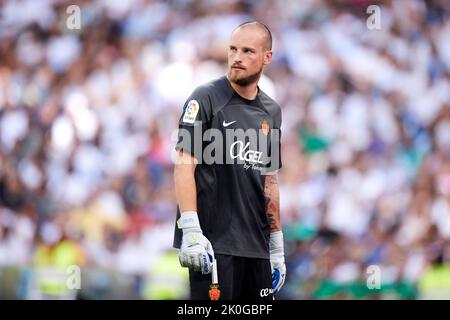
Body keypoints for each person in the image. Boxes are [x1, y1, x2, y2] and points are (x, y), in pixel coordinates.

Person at [173, 21, 285, 300]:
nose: (237, 57)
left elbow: (269, 180)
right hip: (213, 246)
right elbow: (184, 163)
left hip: (257, 248)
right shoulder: (205, 97)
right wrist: (191, 229)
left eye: (248, 51)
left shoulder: (271, 111)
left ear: (266, 58)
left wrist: (277, 245)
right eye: (233, 49)